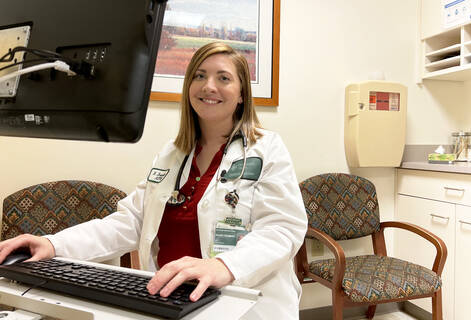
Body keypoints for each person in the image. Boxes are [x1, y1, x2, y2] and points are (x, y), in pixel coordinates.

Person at [0, 42, 308, 319]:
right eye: (199, 76)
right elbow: (132, 221)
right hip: (173, 301)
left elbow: (282, 228)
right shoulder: (172, 155)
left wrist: (223, 267)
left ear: (242, 94)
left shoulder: (267, 148)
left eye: (223, 78)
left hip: (245, 305)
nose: (209, 86)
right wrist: (53, 243)